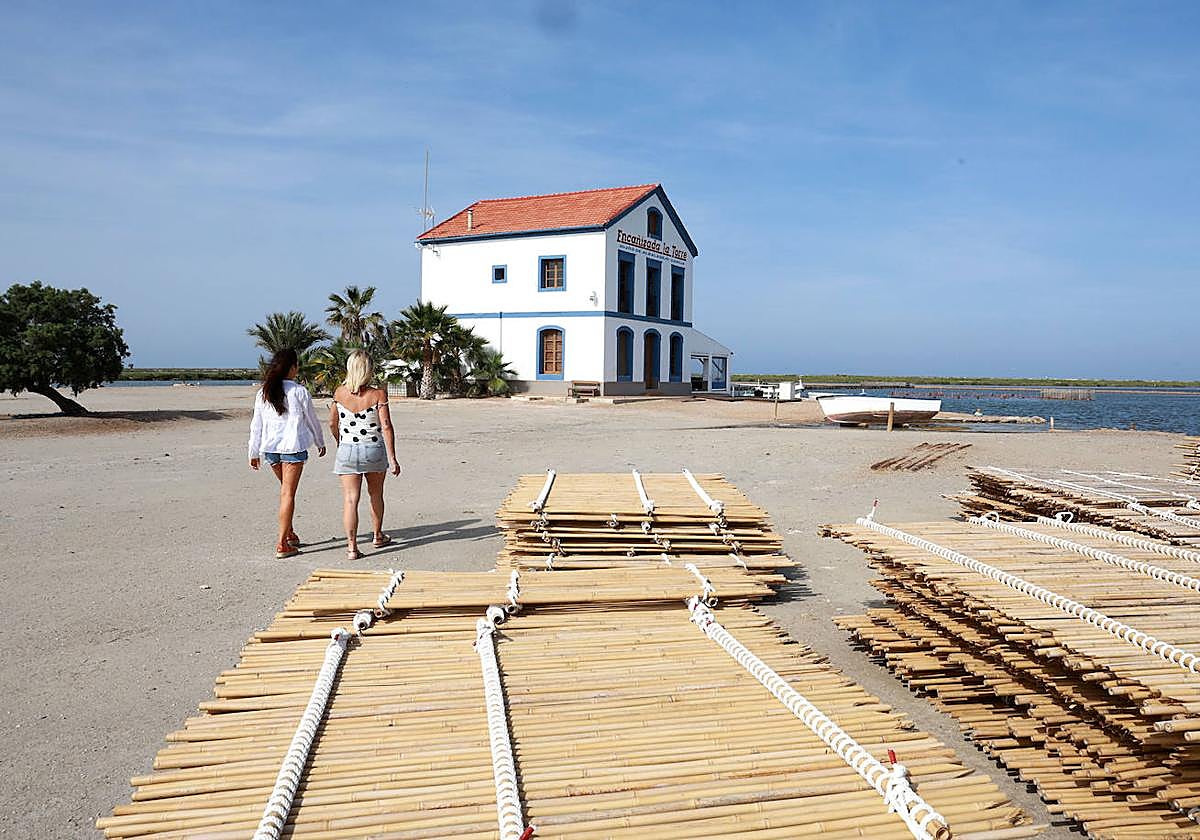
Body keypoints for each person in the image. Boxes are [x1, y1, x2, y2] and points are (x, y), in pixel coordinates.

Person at [247, 348, 326, 558]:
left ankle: (289, 532)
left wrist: (253, 451)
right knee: (287, 494)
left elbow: (257, 425)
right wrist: (320, 441)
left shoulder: (264, 391)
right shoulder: (299, 391)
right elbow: (312, 420)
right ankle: (282, 543)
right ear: (292, 368)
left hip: (270, 450)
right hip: (292, 448)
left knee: (285, 492)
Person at [329, 350, 400, 559]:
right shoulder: (378, 394)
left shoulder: (339, 393)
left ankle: (352, 547)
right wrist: (393, 458)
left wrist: (339, 441)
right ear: (368, 370)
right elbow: (386, 426)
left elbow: (333, 422)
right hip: (373, 449)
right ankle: (377, 535)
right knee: (375, 494)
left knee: (351, 499)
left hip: (348, 450)